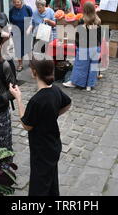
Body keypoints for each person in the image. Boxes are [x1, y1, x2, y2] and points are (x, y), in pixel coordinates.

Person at [9, 59, 71, 196]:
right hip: (54, 145)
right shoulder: (55, 90)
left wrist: (18, 99)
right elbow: (67, 104)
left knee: (39, 185)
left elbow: (26, 125)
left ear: (34, 72)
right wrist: (52, 115)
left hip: (41, 149)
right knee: (51, 180)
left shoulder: (36, 100)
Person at [63, 2, 101, 91]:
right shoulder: (98, 20)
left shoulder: (82, 21)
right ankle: (89, 85)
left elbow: (79, 35)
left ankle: (77, 82)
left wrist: (77, 44)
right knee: (93, 67)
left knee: (80, 66)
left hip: (84, 47)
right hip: (95, 47)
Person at [9, 0, 33, 72]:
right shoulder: (12, 10)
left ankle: (31, 62)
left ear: (21, 1)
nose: (16, 4)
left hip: (26, 31)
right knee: (18, 48)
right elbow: (11, 21)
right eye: (15, 2)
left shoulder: (27, 8)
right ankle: (20, 64)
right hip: (16, 31)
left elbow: (32, 19)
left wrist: (30, 28)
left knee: (28, 47)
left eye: (18, 2)